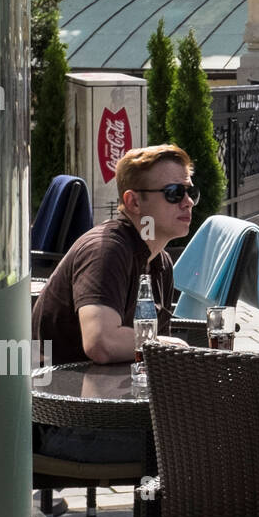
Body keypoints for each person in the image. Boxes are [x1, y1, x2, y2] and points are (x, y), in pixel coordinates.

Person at [31, 144, 194, 467]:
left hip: (115, 413)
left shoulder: (158, 261)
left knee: (223, 429)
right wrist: (167, 342)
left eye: (190, 191)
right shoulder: (107, 251)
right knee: (205, 447)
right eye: (174, 193)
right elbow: (101, 342)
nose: (188, 202)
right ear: (133, 201)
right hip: (65, 426)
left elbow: (149, 361)